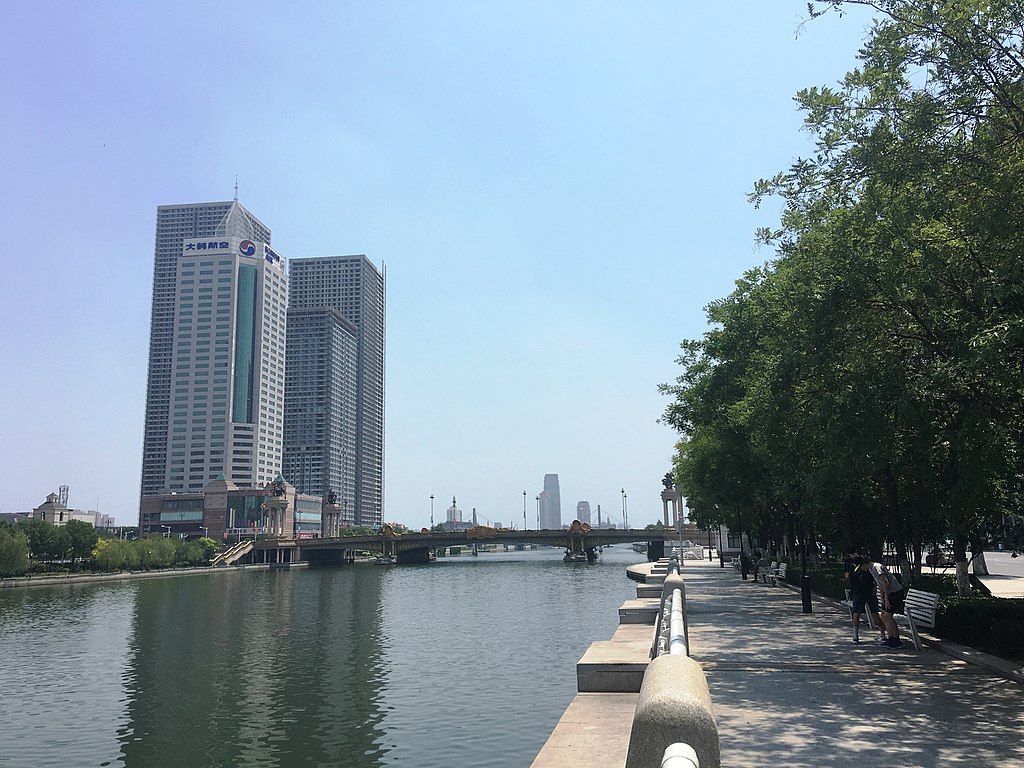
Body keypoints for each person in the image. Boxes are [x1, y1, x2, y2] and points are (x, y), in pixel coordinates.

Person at [867, 558, 905, 649]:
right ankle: (890, 638)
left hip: (895, 593)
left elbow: (886, 583)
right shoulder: (871, 569)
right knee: (883, 615)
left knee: (888, 615)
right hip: (889, 594)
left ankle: (896, 640)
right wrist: (882, 598)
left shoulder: (876, 567)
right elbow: (880, 585)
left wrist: (886, 598)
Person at [848, 556, 884, 644]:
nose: (865, 567)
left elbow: (875, 581)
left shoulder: (870, 571)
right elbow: (851, 581)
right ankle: (855, 635)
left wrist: (874, 589)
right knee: (856, 614)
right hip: (858, 594)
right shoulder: (855, 571)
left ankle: (882, 633)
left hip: (869, 594)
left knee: (875, 613)